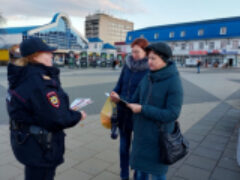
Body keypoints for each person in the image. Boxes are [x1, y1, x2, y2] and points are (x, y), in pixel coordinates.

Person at [6, 37, 87, 180]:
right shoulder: (40, 83)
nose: (52, 55)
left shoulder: (21, 75)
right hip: (40, 147)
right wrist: (77, 115)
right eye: (47, 52)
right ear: (35, 56)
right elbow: (58, 119)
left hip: (26, 142)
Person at [127, 42, 183, 180]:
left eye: (153, 59)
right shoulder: (148, 76)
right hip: (141, 136)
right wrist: (120, 100)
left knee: (157, 175)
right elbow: (134, 99)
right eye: (148, 58)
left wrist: (143, 109)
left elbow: (172, 113)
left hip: (158, 138)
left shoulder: (174, 81)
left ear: (164, 59)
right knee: (140, 173)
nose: (149, 62)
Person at [110, 38, 149, 180]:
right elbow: (119, 84)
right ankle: (124, 175)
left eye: (137, 52)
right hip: (123, 112)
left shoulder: (150, 69)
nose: (134, 55)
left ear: (146, 52)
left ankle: (137, 175)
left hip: (139, 114)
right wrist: (114, 93)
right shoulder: (127, 65)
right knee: (123, 147)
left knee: (138, 149)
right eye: (132, 51)